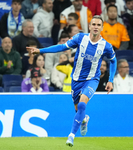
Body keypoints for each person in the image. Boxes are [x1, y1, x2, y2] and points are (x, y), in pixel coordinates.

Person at [27, 15, 117, 147]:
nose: (96, 27)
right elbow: (62, 47)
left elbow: (113, 61)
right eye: (94, 24)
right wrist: (40, 50)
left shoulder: (106, 46)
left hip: (92, 79)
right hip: (76, 79)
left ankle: (71, 136)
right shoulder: (80, 38)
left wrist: (110, 80)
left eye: (99, 25)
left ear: (102, 28)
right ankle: (84, 119)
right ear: (90, 26)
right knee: (78, 109)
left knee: (82, 105)